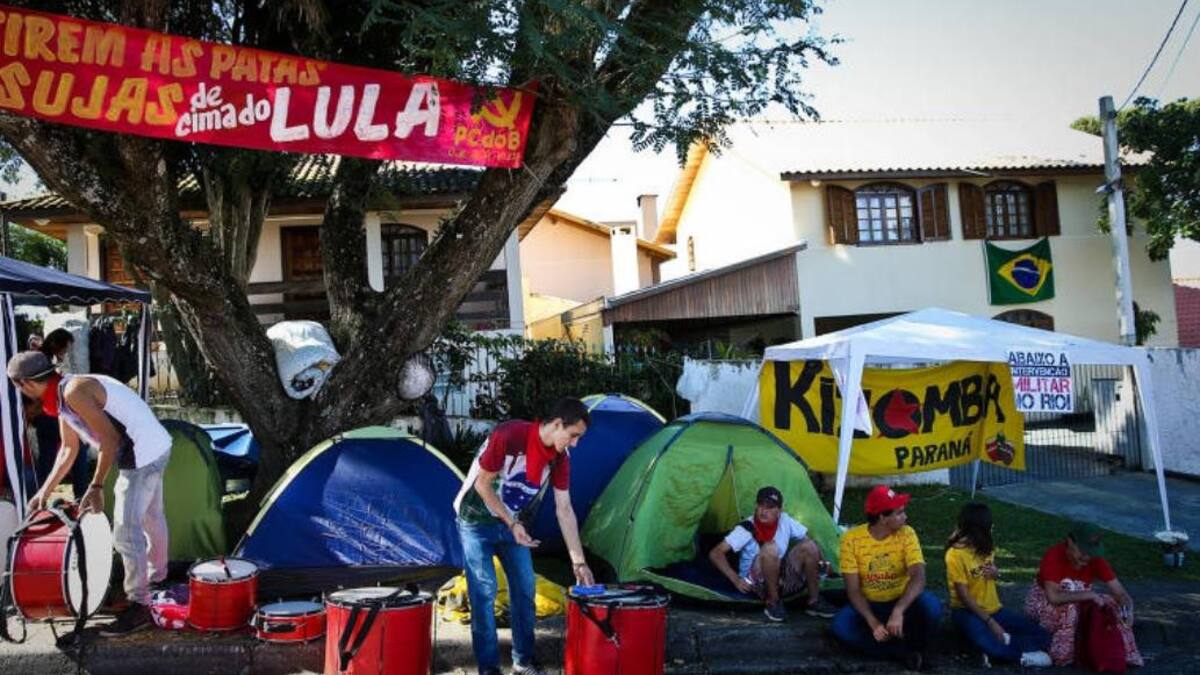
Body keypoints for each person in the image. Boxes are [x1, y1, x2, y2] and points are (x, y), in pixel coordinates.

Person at [8, 350, 171, 637]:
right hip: (156, 444)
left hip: (142, 455)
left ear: (26, 384)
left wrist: (96, 486)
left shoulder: (74, 392)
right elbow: (68, 449)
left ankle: (140, 605)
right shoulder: (64, 393)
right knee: (151, 518)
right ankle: (157, 579)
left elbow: (110, 439)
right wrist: (44, 492)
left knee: (126, 530)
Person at [453, 397, 596, 675]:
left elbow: (564, 509)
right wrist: (512, 523)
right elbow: (483, 486)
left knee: (525, 589)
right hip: (475, 521)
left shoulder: (560, 459)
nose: (575, 443)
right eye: (573, 435)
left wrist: (579, 563)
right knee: (484, 592)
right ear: (557, 424)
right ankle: (489, 669)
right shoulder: (509, 435)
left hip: (511, 524)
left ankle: (523, 662)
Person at [831, 485, 942, 671]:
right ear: (882, 518)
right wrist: (872, 622)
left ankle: (914, 646)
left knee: (933, 607)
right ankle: (902, 652)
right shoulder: (851, 539)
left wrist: (898, 610)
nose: (905, 517)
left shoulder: (907, 533)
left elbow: (919, 576)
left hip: (902, 599)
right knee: (841, 627)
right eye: (899, 513)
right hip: (870, 603)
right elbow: (853, 590)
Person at [708, 485, 838, 621]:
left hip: (783, 581)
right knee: (770, 547)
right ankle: (773, 602)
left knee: (809, 546)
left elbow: (809, 541)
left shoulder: (785, 520)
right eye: (761, 505)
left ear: (779, 511)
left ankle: (814, 601)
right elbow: (715, 553)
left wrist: (824, 564)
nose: (764, 511)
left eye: (770, 507)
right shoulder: (746, 528)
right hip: (756, 585)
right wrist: (735, 579)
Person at [944, 502, 1051, 667]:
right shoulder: (955, 555)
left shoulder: (986, 547)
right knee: (983, 636)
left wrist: (996, 573)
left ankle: (997, 649)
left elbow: (991, 574)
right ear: (978, 529)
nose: (992, 527)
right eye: (989, 524)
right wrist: (990, 622)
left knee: (1044, 637)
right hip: (967, 612)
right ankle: (1020, 657)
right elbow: (964, 596)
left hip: (995, 609)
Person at [1024, 523, 1143, 667]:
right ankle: (1061, 654)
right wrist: (1088, 595)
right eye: (1083, 551)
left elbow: (1121, 593)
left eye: (1091, 552)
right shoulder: (1054, 555)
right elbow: (1053, 597)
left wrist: (1127, 609)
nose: (1087, 557)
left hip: (1078, 603)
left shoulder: (1095, 559)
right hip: (1042, 602)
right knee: (1069, 605)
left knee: (1110, 603)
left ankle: (1123, 653)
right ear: (1070, 542)